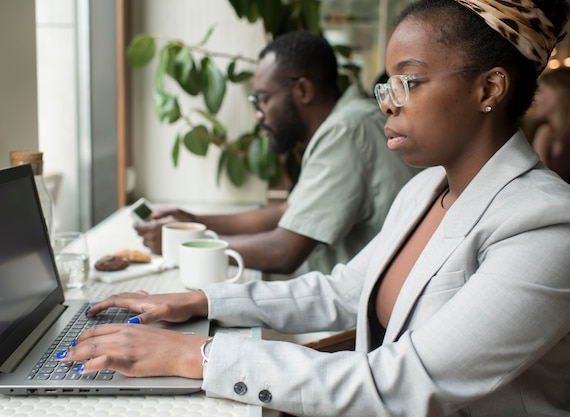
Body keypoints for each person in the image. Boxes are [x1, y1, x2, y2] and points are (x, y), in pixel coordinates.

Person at [60, 0, 570, 415]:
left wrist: (198, 354)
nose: (388, 103)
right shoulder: (426, 189)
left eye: (409, 81)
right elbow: (345, 290)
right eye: (386, 84)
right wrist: (201, 302)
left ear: (490, 88)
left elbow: (409, 383)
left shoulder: (544, 227)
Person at [135, 32, 418, 275]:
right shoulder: (348, 122)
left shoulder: (346, 131)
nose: (259, 114)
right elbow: (288, 212)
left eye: (264, 98)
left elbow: (282, 252)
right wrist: (193, 220)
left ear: (303, 90)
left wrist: (183, 244)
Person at [531, 67, 570, 182]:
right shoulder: (549, 134)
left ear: (560, 92)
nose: (535, 99)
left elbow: (550, 188)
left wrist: (539, 148)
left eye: (541, 91)